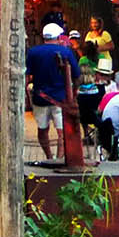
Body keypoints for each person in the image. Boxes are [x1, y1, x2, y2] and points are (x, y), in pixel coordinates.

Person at [26, 22, 80, 163]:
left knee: (42, 128)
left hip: (40, 97)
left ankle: (49, 157)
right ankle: (60, 157)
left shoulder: (33, 52)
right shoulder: (66, 52)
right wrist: (74, 95)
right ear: (58, 37)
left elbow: (28, 75)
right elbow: (76, 74)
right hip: (61, 98)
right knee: (62, 131)